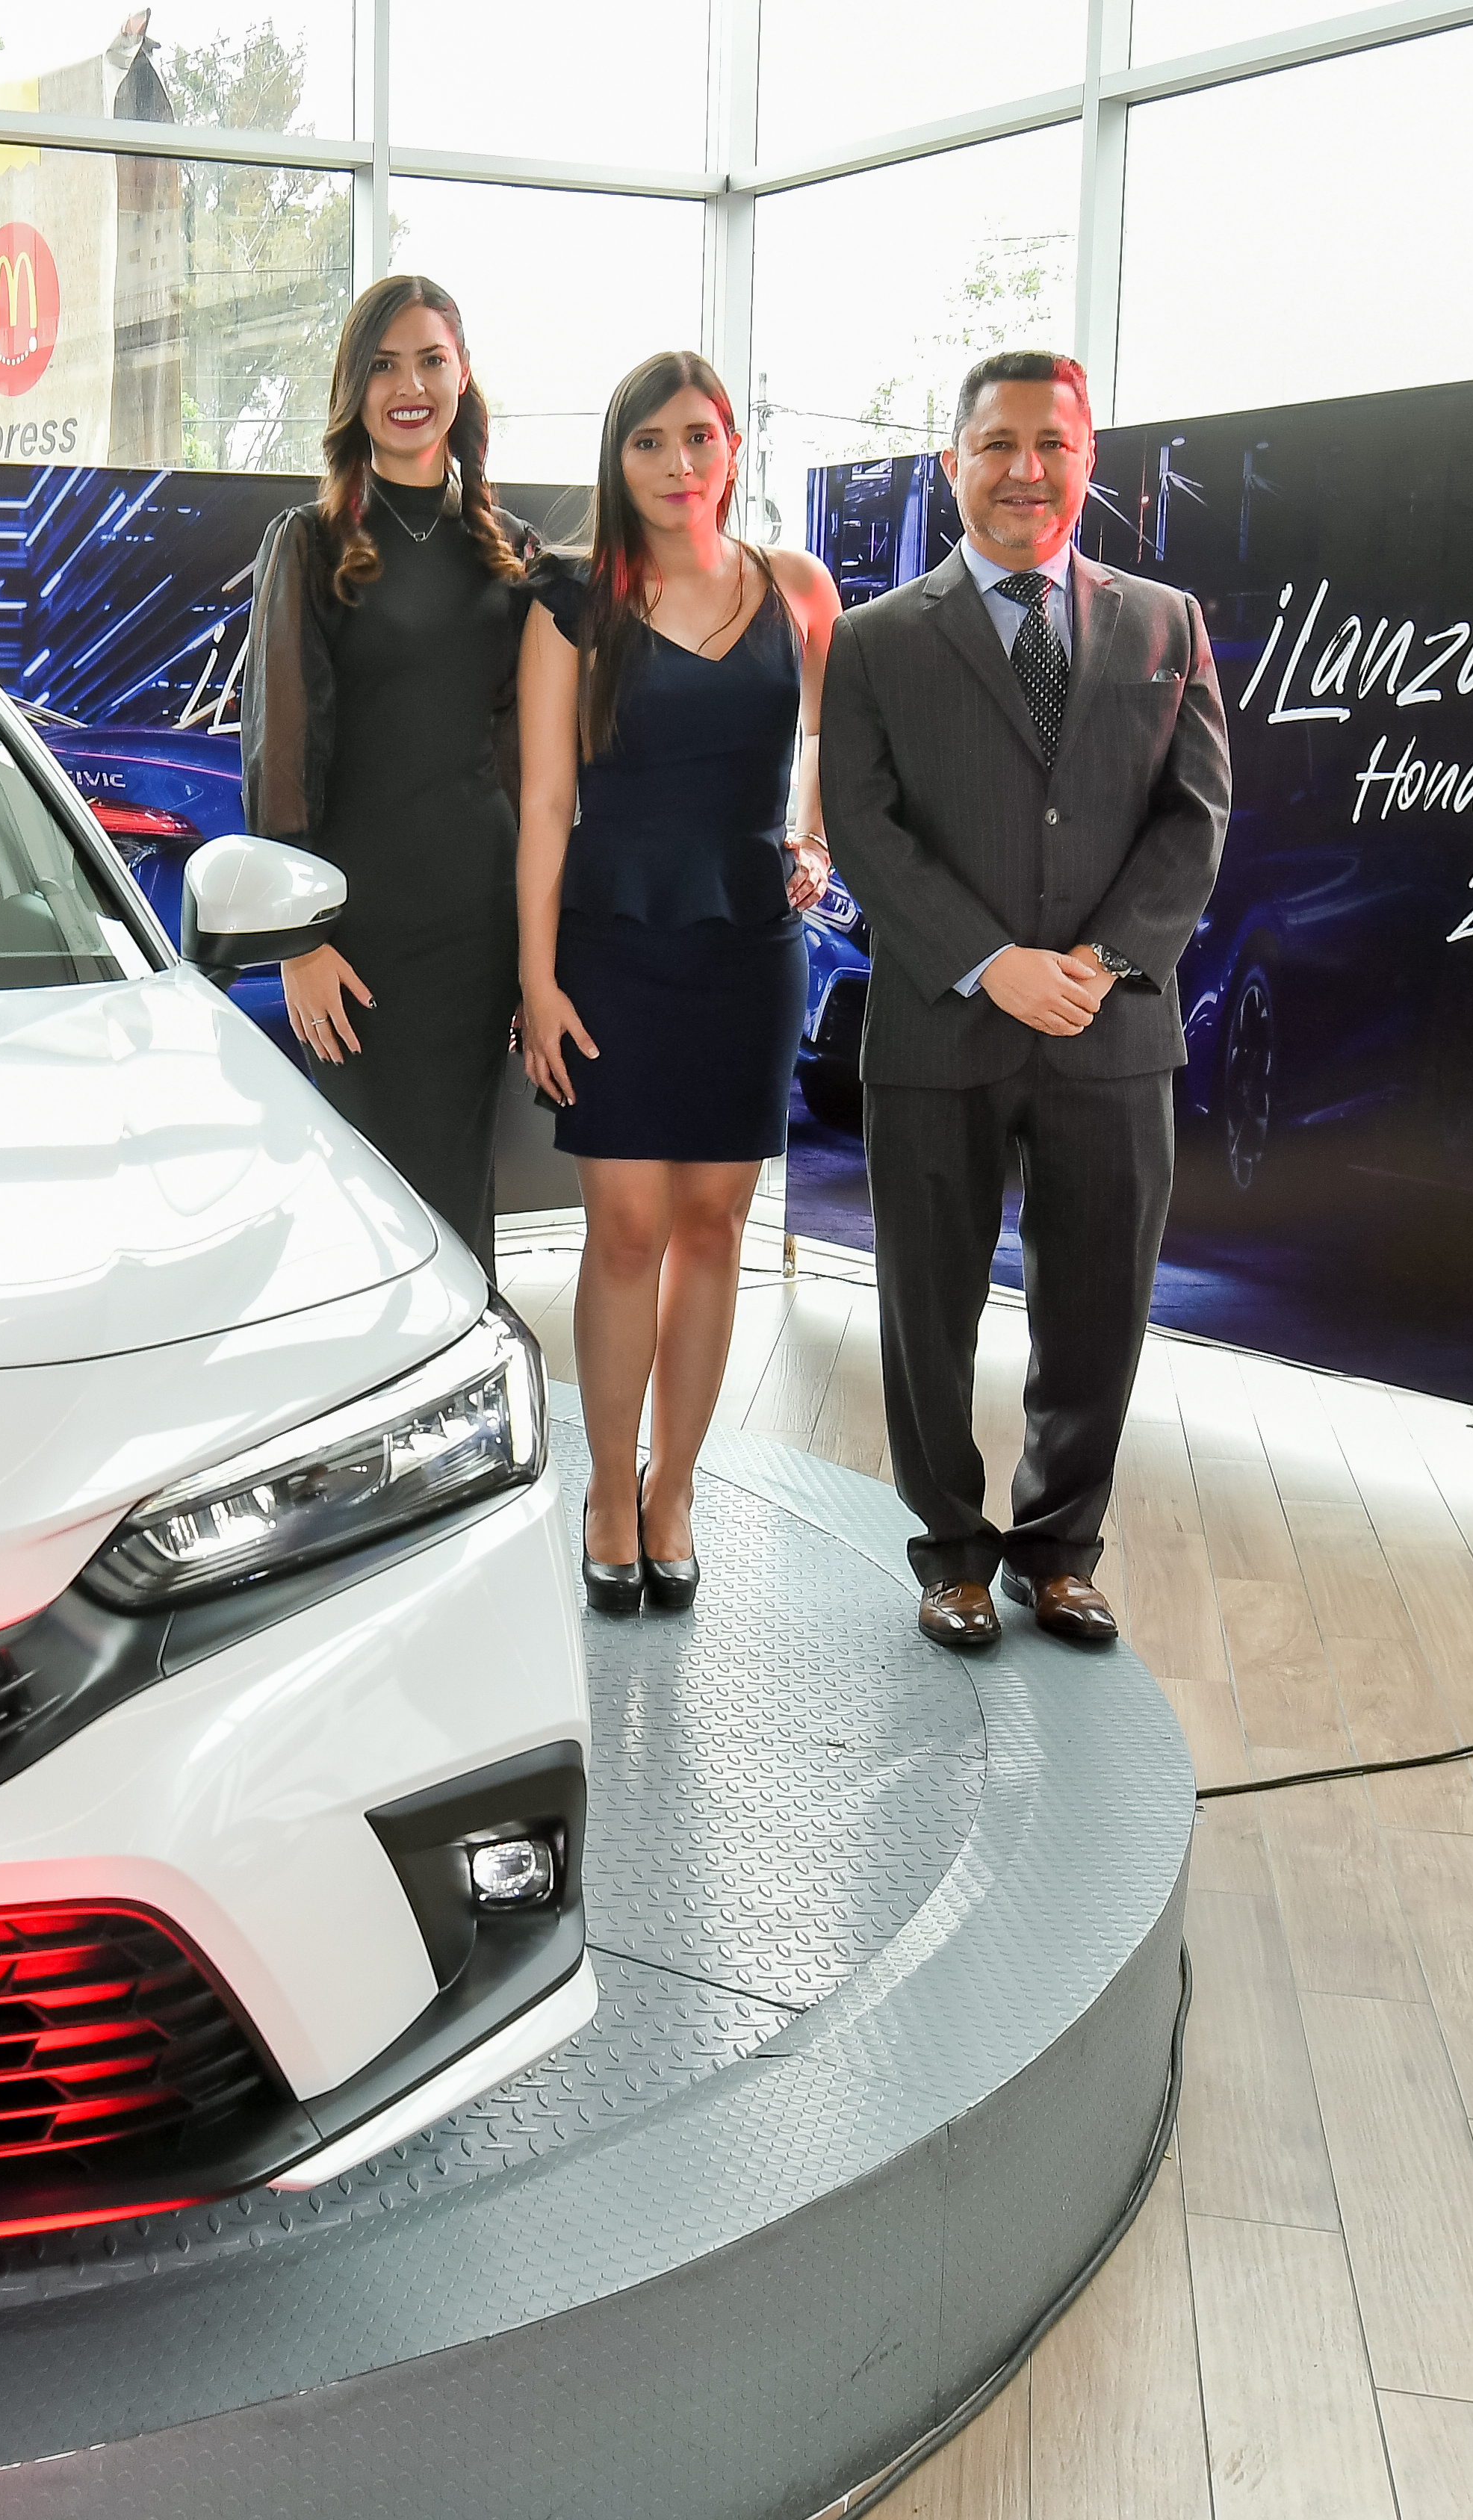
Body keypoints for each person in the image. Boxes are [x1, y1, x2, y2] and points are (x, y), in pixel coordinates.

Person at [820, 350, 1229, 1652]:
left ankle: (1059, 1553)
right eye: (995, 445)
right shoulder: (877, 641)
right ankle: (947, 1550)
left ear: (1086, 459)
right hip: (941, 1027)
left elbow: (1196, 815)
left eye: (1050, 444)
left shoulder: (1165, 623)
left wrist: (1100, 966)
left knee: (1096, 1306)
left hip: (1110, 1032)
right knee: (923, 1307)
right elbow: (865, 828)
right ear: (953, 463)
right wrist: (989, 961)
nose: (1023, 470)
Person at [517, 353, 840, 1613]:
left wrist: (810, 835)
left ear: (733, 451)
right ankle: (606, 1489)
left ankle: (675, 1491)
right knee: (627, 1232)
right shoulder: (572, 602)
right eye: (648, 443)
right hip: (610, 944)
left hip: (748, 950)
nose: (675, 466)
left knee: (715, 1231)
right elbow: (544, 802)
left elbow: (833, 745)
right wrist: (534, 981)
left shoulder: (797, 590)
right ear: (617, 458)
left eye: (697, 439)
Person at [240, 273, 549, 1264]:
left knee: (459, 1197)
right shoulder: (309, 542)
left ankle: (462, 1403)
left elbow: (528, 773)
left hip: (477, 929)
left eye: (428, 359)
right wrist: (296, 942)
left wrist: (535, 958)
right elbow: (280, 753)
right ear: (352, 389)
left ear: (462, 377)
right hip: (356, 939)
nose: (407, 384)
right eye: (382, 365)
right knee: (368, 1208)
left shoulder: (512, 554)